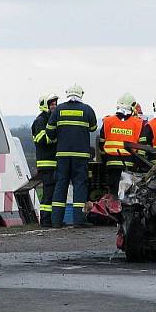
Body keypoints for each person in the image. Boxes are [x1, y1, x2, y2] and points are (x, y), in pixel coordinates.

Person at [46, 84, 97, 227]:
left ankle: (55, 221)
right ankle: (79, 220)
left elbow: (49, 131)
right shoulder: (87, 109)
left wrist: (59, 136)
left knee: (61, 185)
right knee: (79, 185)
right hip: (81, 156)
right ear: (81, 94)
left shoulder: (59, 109)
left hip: (62, 155)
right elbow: (93, 128)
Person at [100, 93, 146, 196]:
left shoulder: (107, 121)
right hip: (129, 166)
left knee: (113, 194)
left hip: (111, 164)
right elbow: (142, 147)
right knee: (127, 195)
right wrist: (139, 165)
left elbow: (101, 145)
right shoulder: (138, 123)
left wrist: (105, 161)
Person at [31, 92, 59, 226]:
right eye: (51, 104)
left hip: (54, 163)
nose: (54, 106)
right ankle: (45, 221)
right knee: (48, 193)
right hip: (47, 163)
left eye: (55, 104)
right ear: (45, 105)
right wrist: (57, 136)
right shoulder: (41, 120)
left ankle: (52, 219)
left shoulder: (53, 119)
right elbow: (41, 139)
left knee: (53, 193)